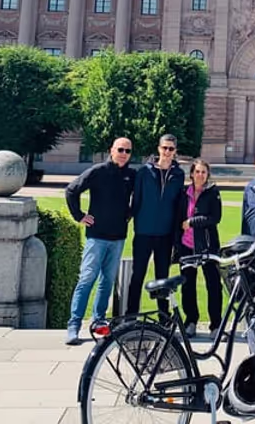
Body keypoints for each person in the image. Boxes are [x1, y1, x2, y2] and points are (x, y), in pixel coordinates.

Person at [63, 136, 137, 345]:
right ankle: (74, 325)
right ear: (111, 150)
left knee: (107, 281)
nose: (123, 154)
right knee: (87, 279)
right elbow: (71, 190)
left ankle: (99, 321)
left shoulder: (131, 175)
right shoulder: (98, 171)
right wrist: (79, 216)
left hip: (118, 237)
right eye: (120, 150)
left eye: (128, 151)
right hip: (96, 237)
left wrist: (129, 213)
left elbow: (139, 198)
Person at [126, 133, 186, 316]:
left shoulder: (179, 175)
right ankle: (131, 315)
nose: (167, 152)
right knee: (137, 275)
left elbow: (178, 205)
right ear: (159, 149)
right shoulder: (144, 172)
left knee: (163, 277)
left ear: (175, 151)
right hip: (143, 232)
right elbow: (136, 201)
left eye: (171, 149)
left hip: (165, 234)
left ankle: (163, 316)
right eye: (164, 148)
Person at [175, 159, 223, 339]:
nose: (200, 175)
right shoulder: (184, 193)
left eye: (203, 172)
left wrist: (192, 222)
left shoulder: (213, 193)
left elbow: (215, 217)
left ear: (208, 174)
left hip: (207, 246)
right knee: (188, 286)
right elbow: (178, 219)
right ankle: (191, 321)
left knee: (213, 286)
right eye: (197, 171)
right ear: (192, 174)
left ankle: (216, 325)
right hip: (187, 246)